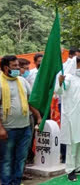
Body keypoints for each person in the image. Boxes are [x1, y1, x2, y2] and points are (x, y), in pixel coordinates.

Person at [0, 55, 42, 185]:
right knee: (7, 160)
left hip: (25, 127)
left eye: (18, 66)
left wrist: (38, 116)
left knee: (20, 159)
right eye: (14, 66)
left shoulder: (22, 81)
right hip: (8, 129)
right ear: (6, 67)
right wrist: (1, 128)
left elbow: (29, 102)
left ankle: (16, 182)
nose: (18, 68)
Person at [55, 57, 80, 182]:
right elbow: (59, 91)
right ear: (76, 65)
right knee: (73, 143)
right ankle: (70, 170)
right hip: (73, 117)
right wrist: (60, 82)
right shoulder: (68, 77)